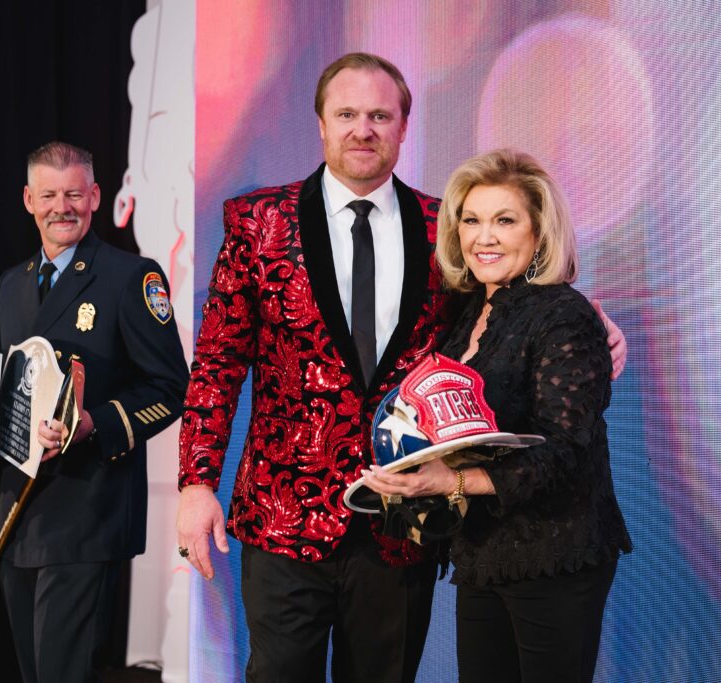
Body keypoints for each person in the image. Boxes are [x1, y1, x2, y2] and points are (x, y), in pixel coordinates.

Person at [176, 54, 626, 682]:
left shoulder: (447, 228)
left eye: (379, 116)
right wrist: (196, 483)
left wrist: (594, 324)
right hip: (283, 513)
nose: (363, 129)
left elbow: (511, 311)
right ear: (321, 124)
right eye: (347, 114)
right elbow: (217, 363)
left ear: (403, 127)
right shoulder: (258, 223)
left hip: (404, 522)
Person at [0, 141, 189, 683]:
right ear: (28, 200)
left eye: (73, 194)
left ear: (95, 196)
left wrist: (93, 425)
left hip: (88, 514)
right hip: (15, 519)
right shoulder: (11, 284)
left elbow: (169, 388)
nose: (62, 207)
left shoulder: (131, 277)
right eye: (48, 196)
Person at [362, 148, 633, 683]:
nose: (484, 237)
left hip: (555, 552)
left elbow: (562, 449)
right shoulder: (469, 314)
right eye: (471, 220)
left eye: (504, 221)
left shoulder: (561, 314)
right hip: (483, 551)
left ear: (539, 232)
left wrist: (453, 482)